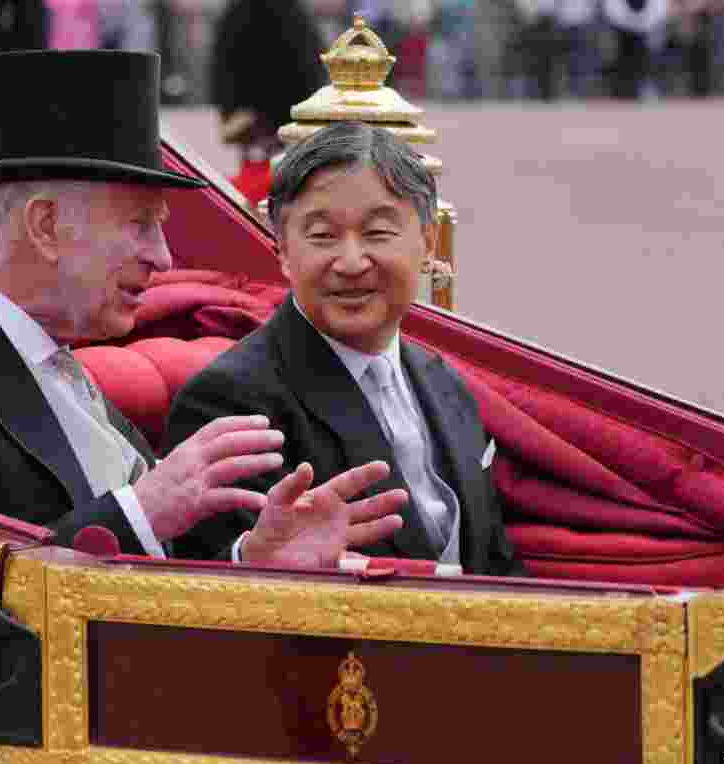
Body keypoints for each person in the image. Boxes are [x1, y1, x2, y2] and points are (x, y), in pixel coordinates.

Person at [0, 50, 406, 565]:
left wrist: (252, 560)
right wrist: (140, 512)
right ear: (46, 226)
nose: (162, 256)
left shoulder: (54, 360)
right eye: (139, 224)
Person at [164, 121, 522, 575]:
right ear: (282, 250)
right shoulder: (231, 403)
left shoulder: (442, 380)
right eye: (322, 236)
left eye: (377, 233)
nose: (351, 263)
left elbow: (496, 564)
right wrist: (254, 562)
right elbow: (203, 589)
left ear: (428, 243)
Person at [210, 0, 327, 208]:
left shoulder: (239, 12)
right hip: (279, 109)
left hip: (256, 109)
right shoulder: (294, 14)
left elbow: (224, 65)